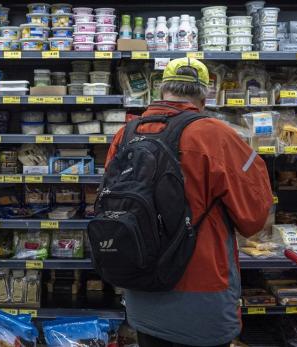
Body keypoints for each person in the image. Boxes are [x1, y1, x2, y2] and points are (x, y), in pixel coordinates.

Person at [105, 58, 273, 347]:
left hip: (141, 283)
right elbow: (253, 218)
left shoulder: (127, 134)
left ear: (161, 90)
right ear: (204, 94)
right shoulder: (216, 135)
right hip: (202, 290)